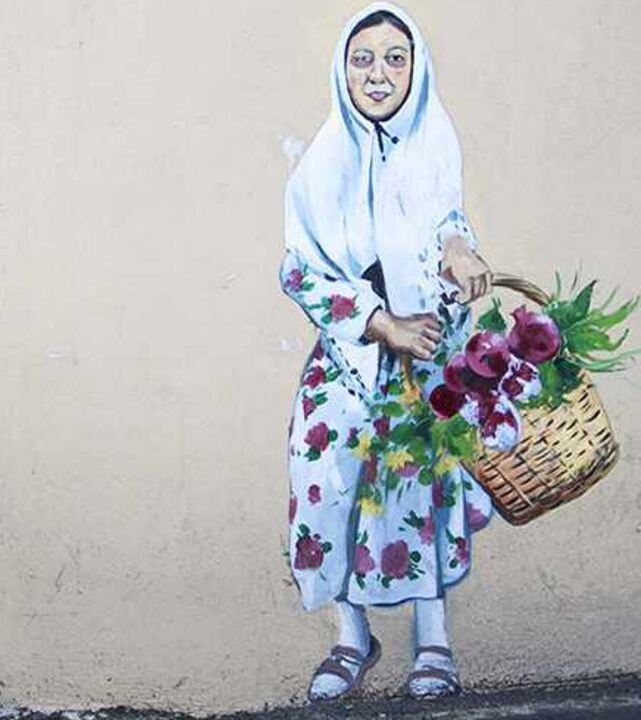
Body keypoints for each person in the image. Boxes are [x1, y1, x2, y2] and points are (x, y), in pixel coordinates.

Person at [279, 3, 495, 702]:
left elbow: (445, 219)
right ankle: (352, 639)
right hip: (350, 358)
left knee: (418, 492)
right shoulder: (322, 161)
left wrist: (459, 251)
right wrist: (379, 323)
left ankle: (433, 645)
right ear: (343, 68)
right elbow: (299, 271)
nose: (378, 73)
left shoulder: (435, 140)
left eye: (394, 58)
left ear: (415, 67)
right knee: (329, 484)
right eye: (363, 58)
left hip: (423, 356)